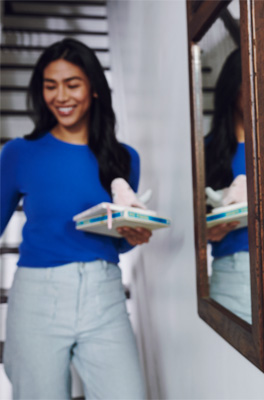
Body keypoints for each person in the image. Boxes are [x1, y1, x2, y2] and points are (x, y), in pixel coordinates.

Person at [0, 38, 149, 398]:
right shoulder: (20, 153)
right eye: (50, 86)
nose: (60, 96)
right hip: (38, 297)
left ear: (94, 89)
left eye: (72, 84)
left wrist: (133, 236)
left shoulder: (125, 158)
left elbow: (116, 244)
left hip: (105, 295)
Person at [204, 48, 251, 323]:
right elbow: (194, 225)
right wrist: (211, 229)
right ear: (234, 87)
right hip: (231, 272)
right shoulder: (206, 152)